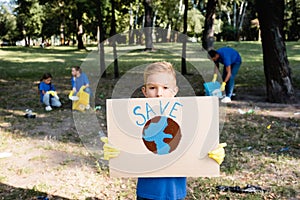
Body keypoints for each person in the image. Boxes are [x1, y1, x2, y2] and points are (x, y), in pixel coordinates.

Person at [101, 61, 226, 200]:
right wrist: (116, 150)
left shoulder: (187, 118)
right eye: (152, 87)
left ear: (175, 91)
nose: (159, 93)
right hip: (147, 192)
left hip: (175, 191)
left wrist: (211, 153)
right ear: (145, 91)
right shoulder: (136, 119)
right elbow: (129, 144)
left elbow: (197, 142)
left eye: (165, 87)